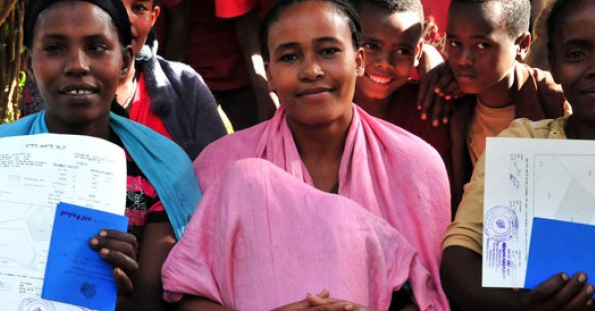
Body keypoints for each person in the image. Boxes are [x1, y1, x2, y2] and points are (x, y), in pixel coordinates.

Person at [160, 0, 451, 310]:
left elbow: (428, 295)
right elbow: (187, 295)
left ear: (359, 60)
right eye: (290, 56)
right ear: (269, 74)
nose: (311, 70)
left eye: (328, 51)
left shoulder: (416, 164)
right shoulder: (219, 164)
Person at [441, 0, 595, 310]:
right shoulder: (524, 145)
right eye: (577, 54)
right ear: (554, 63)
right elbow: (460, 252)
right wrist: (520, 307)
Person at [0, 0, 201, 309]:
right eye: (55, 48)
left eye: (97, 47)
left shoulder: (161, 168)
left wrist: (116, 294)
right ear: (30, 63)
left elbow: (157, 303)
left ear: (125, 61)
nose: (77, 64)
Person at [20, 0, 227, 160]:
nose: (126, 18)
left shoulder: (184, 87)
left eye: (138, 7)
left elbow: (215, 178)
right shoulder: (47, 89)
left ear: (154, 17)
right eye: (114, 3)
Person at [420, 0, 569, 216]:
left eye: (482, 45)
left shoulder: (553, 101)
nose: (463, 60)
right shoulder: (448, 102)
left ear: (523, 45)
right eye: (454, 44)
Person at [352, 0, 451, 181]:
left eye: (402, 51)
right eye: (372, 46)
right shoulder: (326, 106)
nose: (385, 63)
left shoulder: (427, 111)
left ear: (418, 52)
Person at [158, 0, 278, 131]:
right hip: (195, 74)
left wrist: (263, 89)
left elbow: (245, 21)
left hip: (241, 72)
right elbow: (179, 20)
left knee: (260, 140)